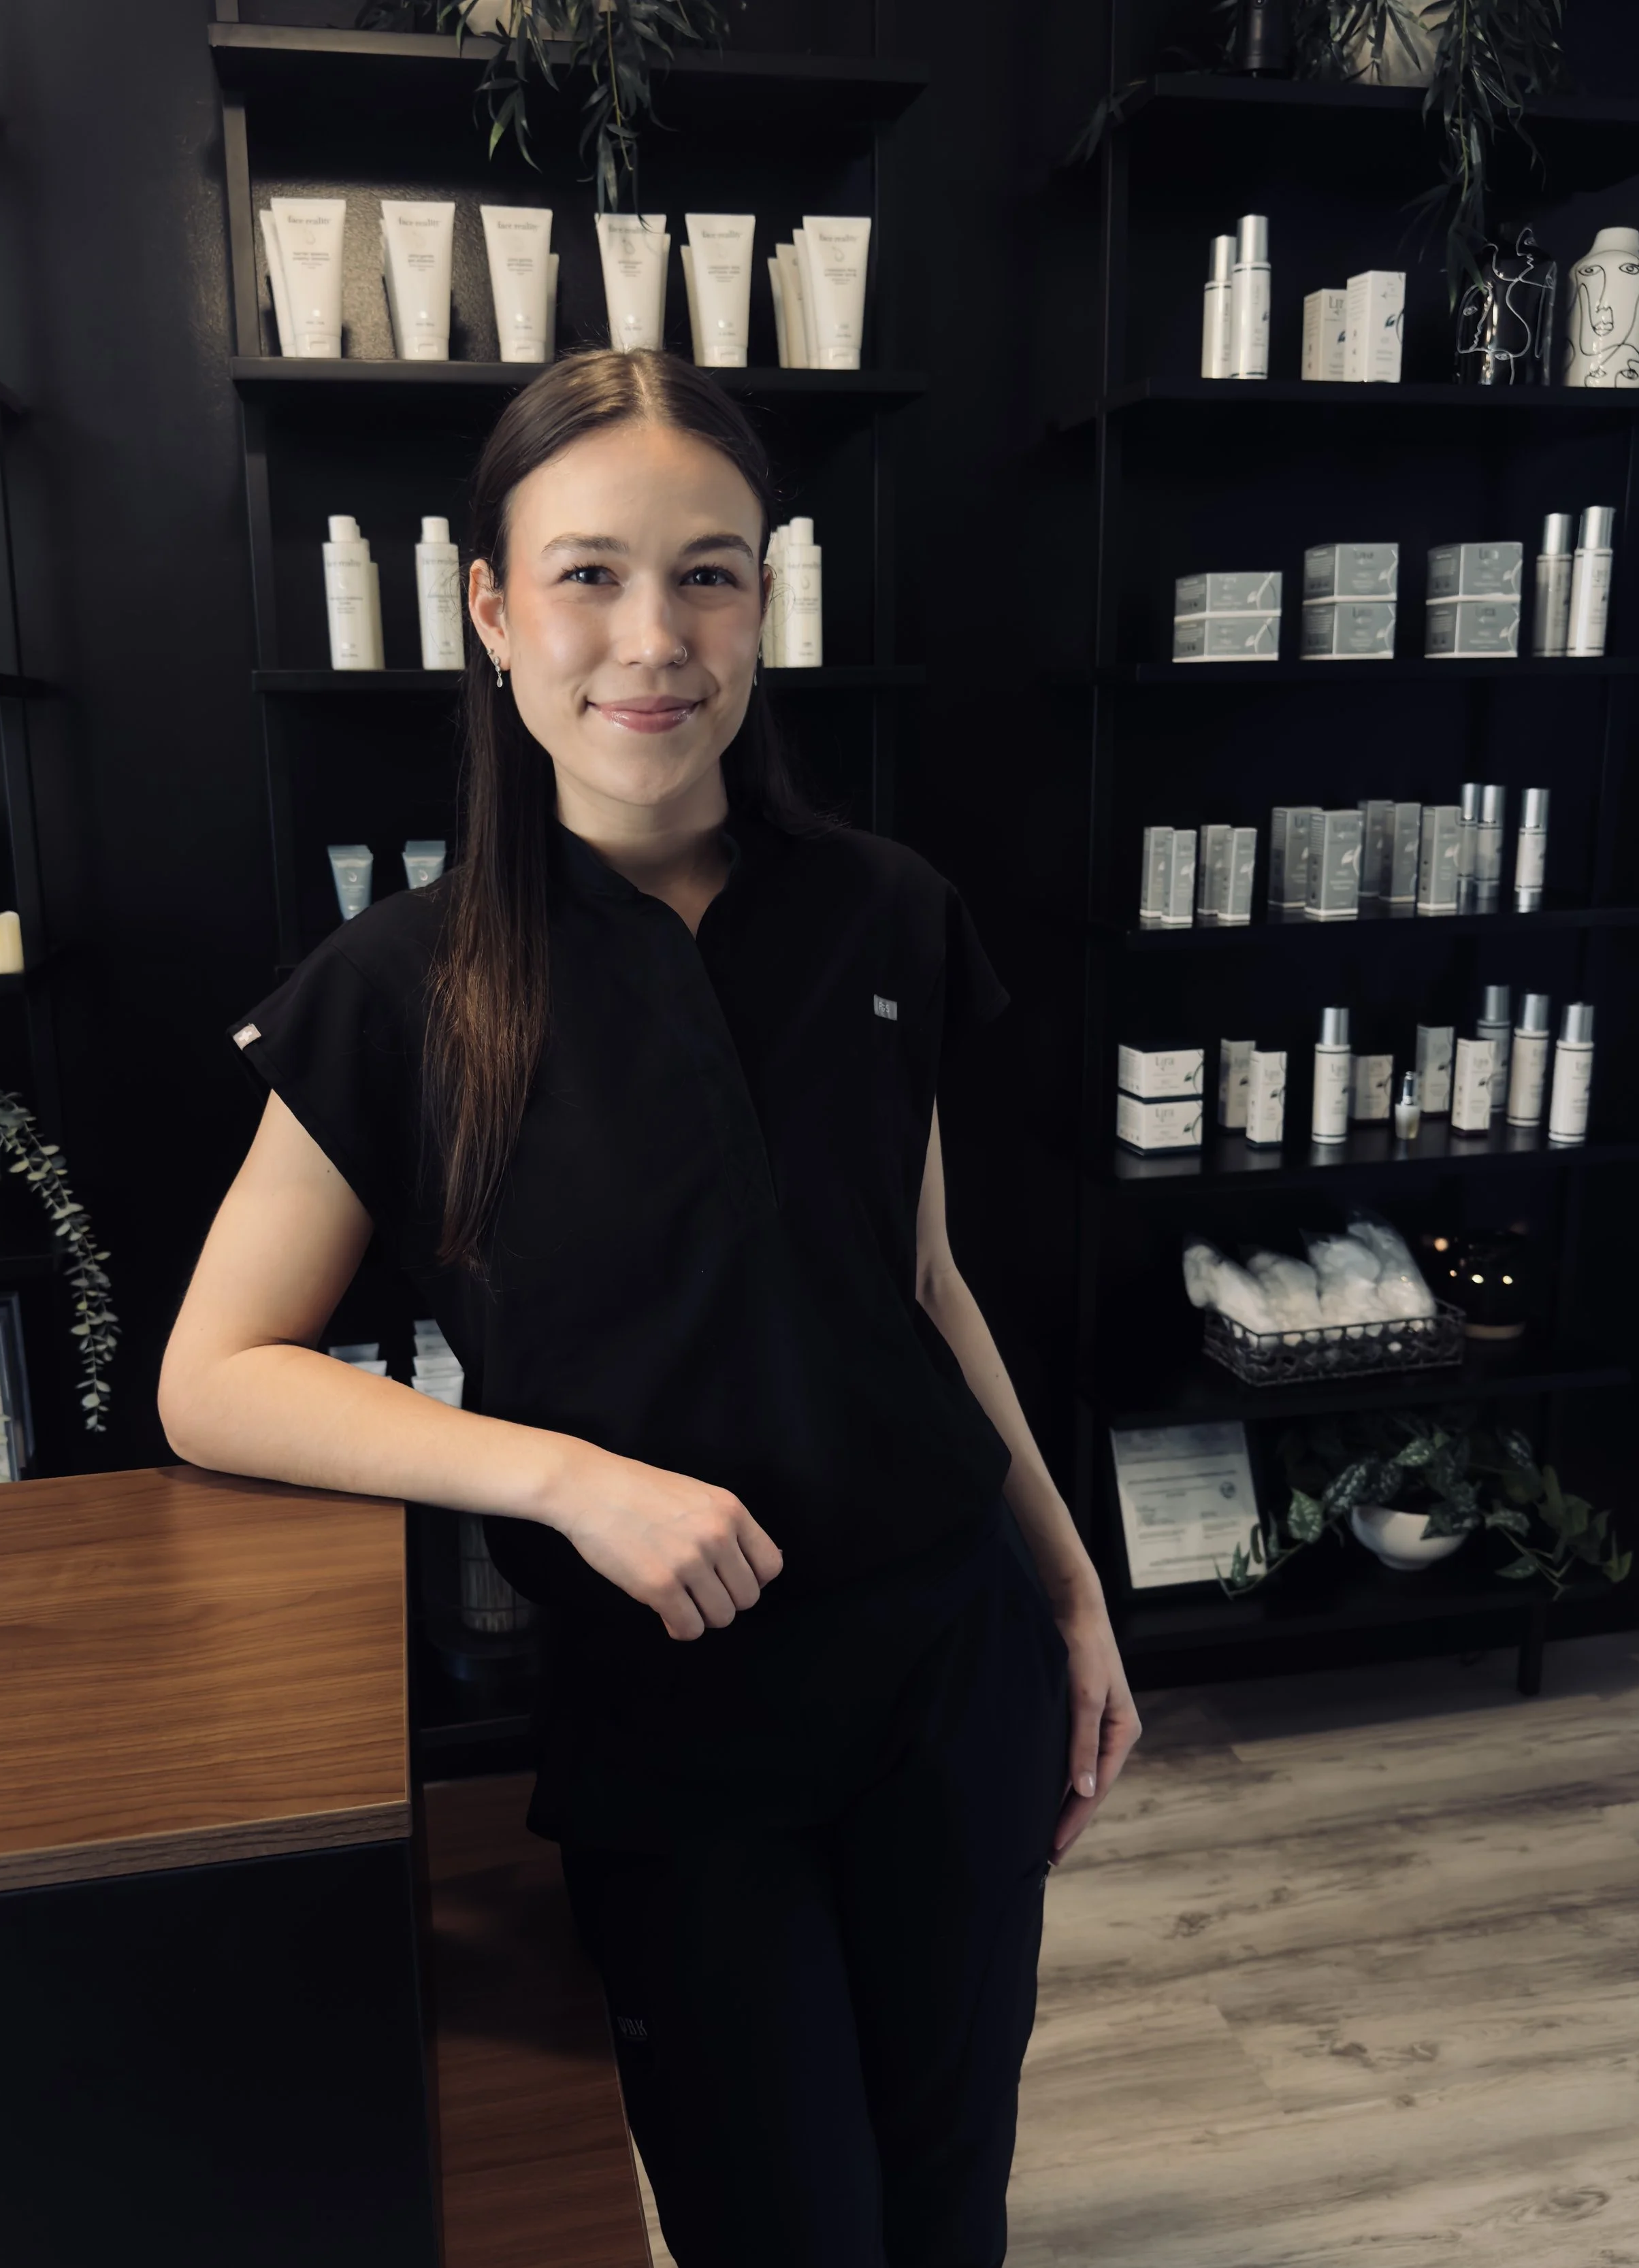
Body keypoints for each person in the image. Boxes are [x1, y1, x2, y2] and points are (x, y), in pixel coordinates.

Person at [159, 346, 1141, 2268]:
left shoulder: (886, 912)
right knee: (782, 2227)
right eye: (588, 575)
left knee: (949, 2206)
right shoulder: (403, 986)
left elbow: (925, 1286)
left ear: (763, 601)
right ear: (490, 610)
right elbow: (215, 1375)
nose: (652, 638)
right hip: (678, 1724)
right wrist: (565, 1479)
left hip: (951, 1675)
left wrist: (1072, 1591)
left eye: (708, 573)